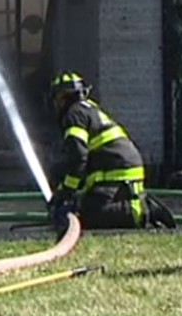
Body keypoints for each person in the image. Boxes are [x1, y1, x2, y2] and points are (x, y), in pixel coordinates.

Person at [47, 72, 169, 230]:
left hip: (116, 172)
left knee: (88, 217)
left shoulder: (74, 114)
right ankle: (140, 205)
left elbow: (78, 158)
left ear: (62, 97)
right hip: (120, 169)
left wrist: (65, 192)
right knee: (82, 206)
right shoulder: (88, 108)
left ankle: (138, 213)